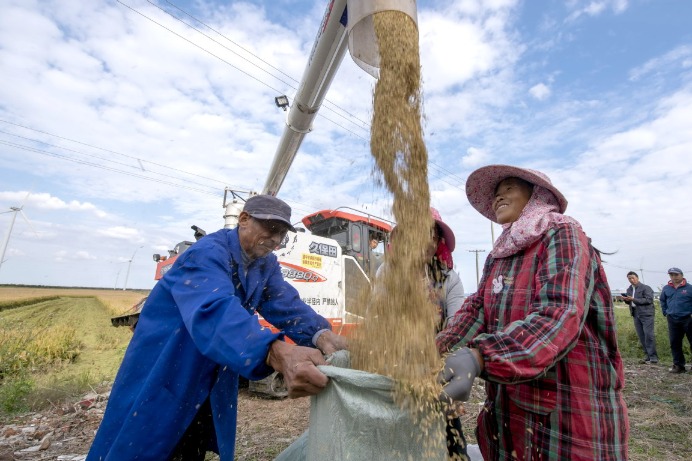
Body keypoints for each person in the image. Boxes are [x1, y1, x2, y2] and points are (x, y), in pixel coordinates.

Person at [87, 195, 346, 461]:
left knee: (190, 441)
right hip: (168, 360)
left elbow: (285, 303)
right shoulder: (207, 253)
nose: (276, 240)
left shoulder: (264, 264)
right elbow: (214, 311)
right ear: (244, 219)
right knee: (142, 439)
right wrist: (274, 352)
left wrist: (321, 334)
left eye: (282, 234)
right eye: (270, 229)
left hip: (211, 362)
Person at [436, 165, 629, 461]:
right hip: (509, 417)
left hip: (567, 418)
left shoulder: (563, 235)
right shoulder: (498, 256)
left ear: (537, 195)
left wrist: (479, 356)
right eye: (496, 194)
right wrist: (432, 349)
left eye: (509, 188)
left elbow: (558, 315)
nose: (498, 197)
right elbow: (475, 310)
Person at [380, 207, 468, 459]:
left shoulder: (449, 279)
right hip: (396, 368)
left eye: (429, 234)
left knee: (450, 440)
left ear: (437, 242)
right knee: (397, 439)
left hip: (436, 370)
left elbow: (458, 327)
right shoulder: (386, 275)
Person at [659, 267, 692, 374]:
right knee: (675, 343)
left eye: (676, 275)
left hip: (688, 319)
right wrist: (666, 312)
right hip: (672, 319)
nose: (674, 277)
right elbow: (663, 301)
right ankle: (678, 366)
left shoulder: (689, 288)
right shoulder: (666, 288)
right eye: (671, 275)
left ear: (682, 275)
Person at [622, 271, 658, 364]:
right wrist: (626, 300)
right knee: (641, 335)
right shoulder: (629, 289)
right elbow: (630, 302)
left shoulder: (646, 288)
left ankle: (653, 356)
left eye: (633, 278)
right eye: (629, 278)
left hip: (646, 313)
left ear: (637, 278)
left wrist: (633, 299)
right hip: (635, 313)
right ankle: (647, 355)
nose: (631, 280)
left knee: (648, 335)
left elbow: (648, 300)